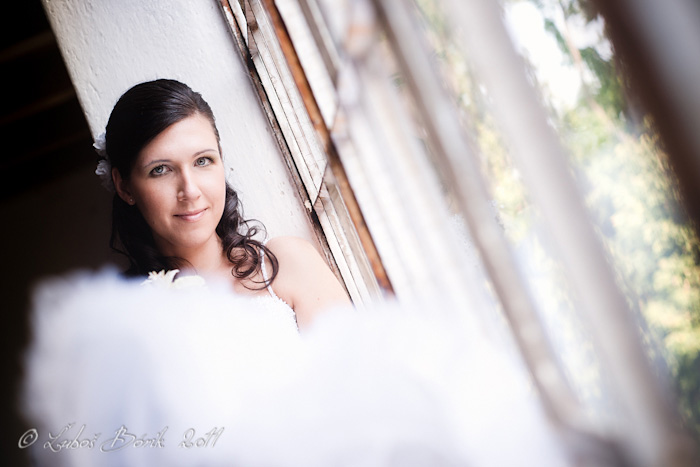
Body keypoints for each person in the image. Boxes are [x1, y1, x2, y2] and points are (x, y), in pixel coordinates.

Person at [96, 78, 350, 329]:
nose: (190, 191)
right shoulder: (126, 322)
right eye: (160, 169)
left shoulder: (287, 263)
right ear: (125, 187)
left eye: (202, 161)